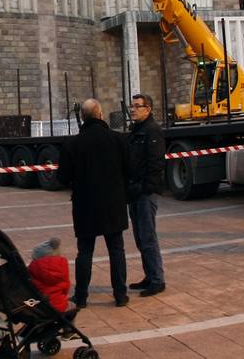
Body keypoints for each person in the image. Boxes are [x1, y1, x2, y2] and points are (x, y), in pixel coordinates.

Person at [56, 98, 131, 307]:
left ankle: (81, 297)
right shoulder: (119, 140)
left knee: (85, 252)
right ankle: (120, 294)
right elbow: (130, 170)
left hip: (85, 205)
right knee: (116, 250)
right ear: (100, 114)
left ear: (82, 117)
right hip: (113, 203)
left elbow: (62, 178)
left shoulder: (72, 144)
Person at [125, 93, 166, 297]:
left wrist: (145, 188)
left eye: (137, 106)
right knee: (140, 238)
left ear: (148, 108)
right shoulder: (136, 130)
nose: (133, 109)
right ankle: (149, 275)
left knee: (148, 237)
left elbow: (156, 164)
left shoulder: (152, 131)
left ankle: (157, 280)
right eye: (132, 106)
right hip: (134, 193)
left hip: (144, 194)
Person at [27, 237, 76, 317]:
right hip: (59, 306)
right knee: (72, 306)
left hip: (38, 307)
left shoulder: (32, 268)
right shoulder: (62, 266)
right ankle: (68, 328)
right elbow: (65, 289)